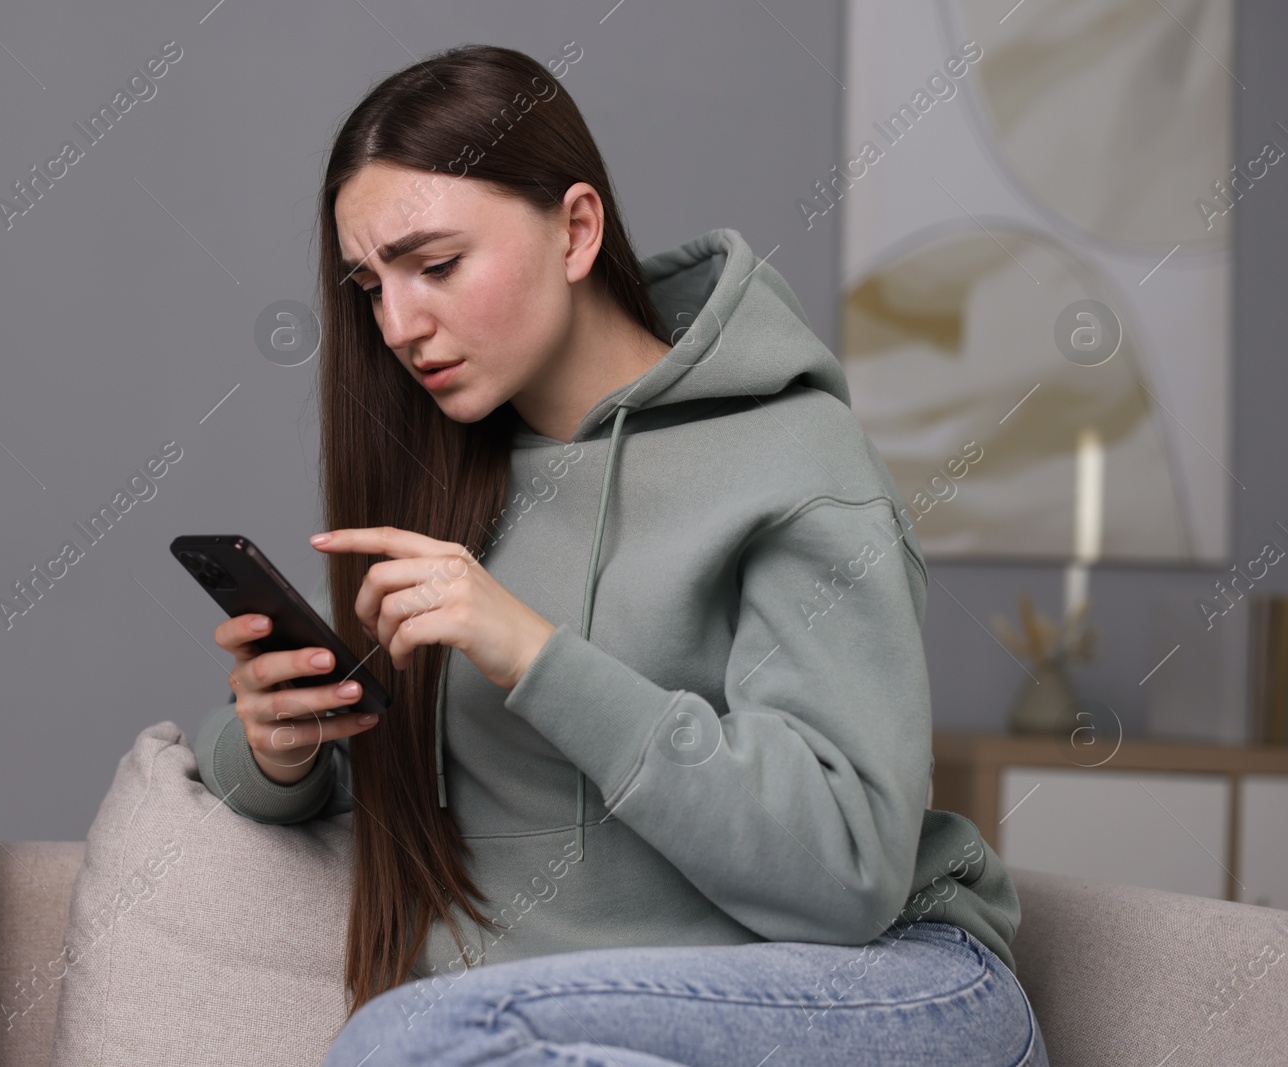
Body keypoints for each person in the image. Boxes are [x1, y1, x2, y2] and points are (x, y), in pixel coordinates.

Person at [193, 42, 1047, 1067]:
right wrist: (280, 749)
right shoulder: (453, 478)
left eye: (437, 264)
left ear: (577, 229)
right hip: (591, 1029)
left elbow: (846, 870)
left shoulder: (791, 455)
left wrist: (534, 654)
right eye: (369, 285)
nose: (399, 323)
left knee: (419, 1036)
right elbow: (445, 788)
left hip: (880, 991)